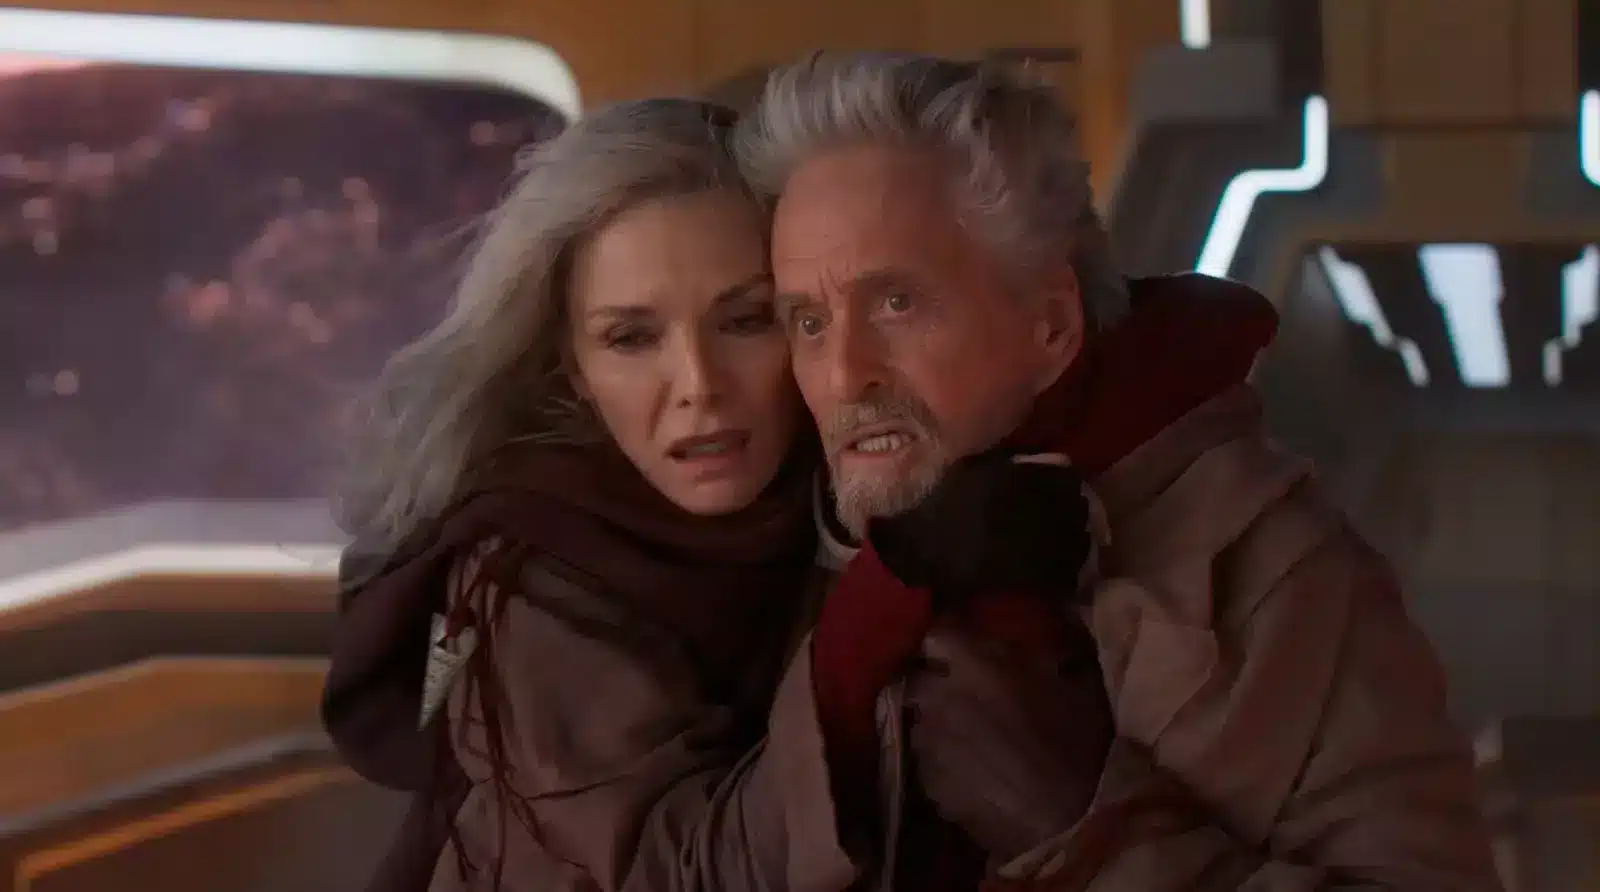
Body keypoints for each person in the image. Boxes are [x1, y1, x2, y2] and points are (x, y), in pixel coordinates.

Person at [734, 52, 1506, 891]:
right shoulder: (775, 561)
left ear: (1052, 326)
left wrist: (1087, 832)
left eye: (896, 303)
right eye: (808, 323)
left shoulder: (1284, 581)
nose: (844, 376)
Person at [320, 99, 863, 892]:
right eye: (632, 338)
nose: (699, 385)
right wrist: (882, 613)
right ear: (573, 368)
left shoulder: (840, 489)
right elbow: (687, 876)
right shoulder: (530, 572)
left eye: (746, 320)